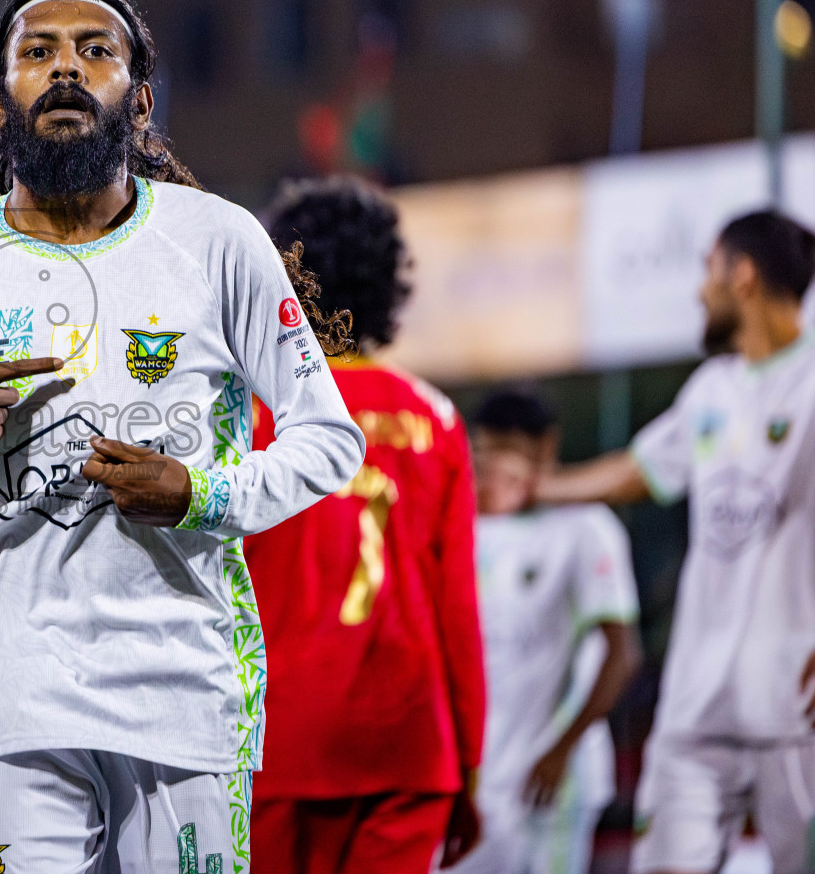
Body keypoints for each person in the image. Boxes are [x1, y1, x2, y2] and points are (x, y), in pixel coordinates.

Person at [0, 0, 366, 873]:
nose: (66, 68)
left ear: (139, 101)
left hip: (183, 693)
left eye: (94, 52)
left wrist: (201, 491)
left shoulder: (218, 240)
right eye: (38, 53)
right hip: (3, 692)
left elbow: (328, 438)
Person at [536, 210, 815, 874]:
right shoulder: (711, 389)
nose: (700, 290)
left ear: (741, 275)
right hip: (694, 710)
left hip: (796, 711)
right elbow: (640, 468)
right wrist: (540, 490)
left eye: (708, 269)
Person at [245, 176, 485, 872]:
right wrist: (467, 764)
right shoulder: (434, 419)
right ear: (388, 286)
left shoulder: (246, 414)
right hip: (408, 747)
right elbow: (458, 612)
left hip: (271, 745)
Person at [448, 390, 642, 874]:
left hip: (553, 783)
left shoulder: (586, 526)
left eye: (509, 448)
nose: (497, 465)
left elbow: (623, 655)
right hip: (476, 779)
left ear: (546, 446)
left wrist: (560, 749)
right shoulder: (462, 529)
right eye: (486, 451)